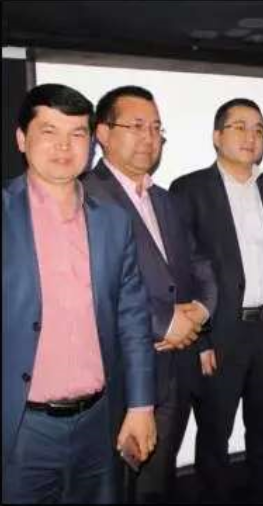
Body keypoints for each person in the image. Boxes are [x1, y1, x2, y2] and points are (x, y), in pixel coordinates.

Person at [2, 83, 156, 504]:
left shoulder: (113, 221)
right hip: (21, 429)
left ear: (91, 144)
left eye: (76, 133)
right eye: (49, 131)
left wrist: (141, 406)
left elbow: (132, 318)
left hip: (99, 423)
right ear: (22, 139)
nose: (64, 146)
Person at [82, 85, 217, 504]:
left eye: (157, 128)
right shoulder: (86, 195)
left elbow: (200, 265)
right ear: (103, 133)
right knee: (118, 485)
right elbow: (93, 282)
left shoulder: (166, 200)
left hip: (176, 367)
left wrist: (200, 312)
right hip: (122, 373)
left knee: (158, 482)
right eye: (137, 126)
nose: (149, 137)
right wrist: (165, 321)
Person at [170, 98, 263, 503]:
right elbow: (182, 269)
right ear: (217, 136)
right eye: (240, 127)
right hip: (221, 332)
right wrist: (201, 339)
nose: (251, 136)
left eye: (259, 129)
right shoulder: (190, 189)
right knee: (215, 434)